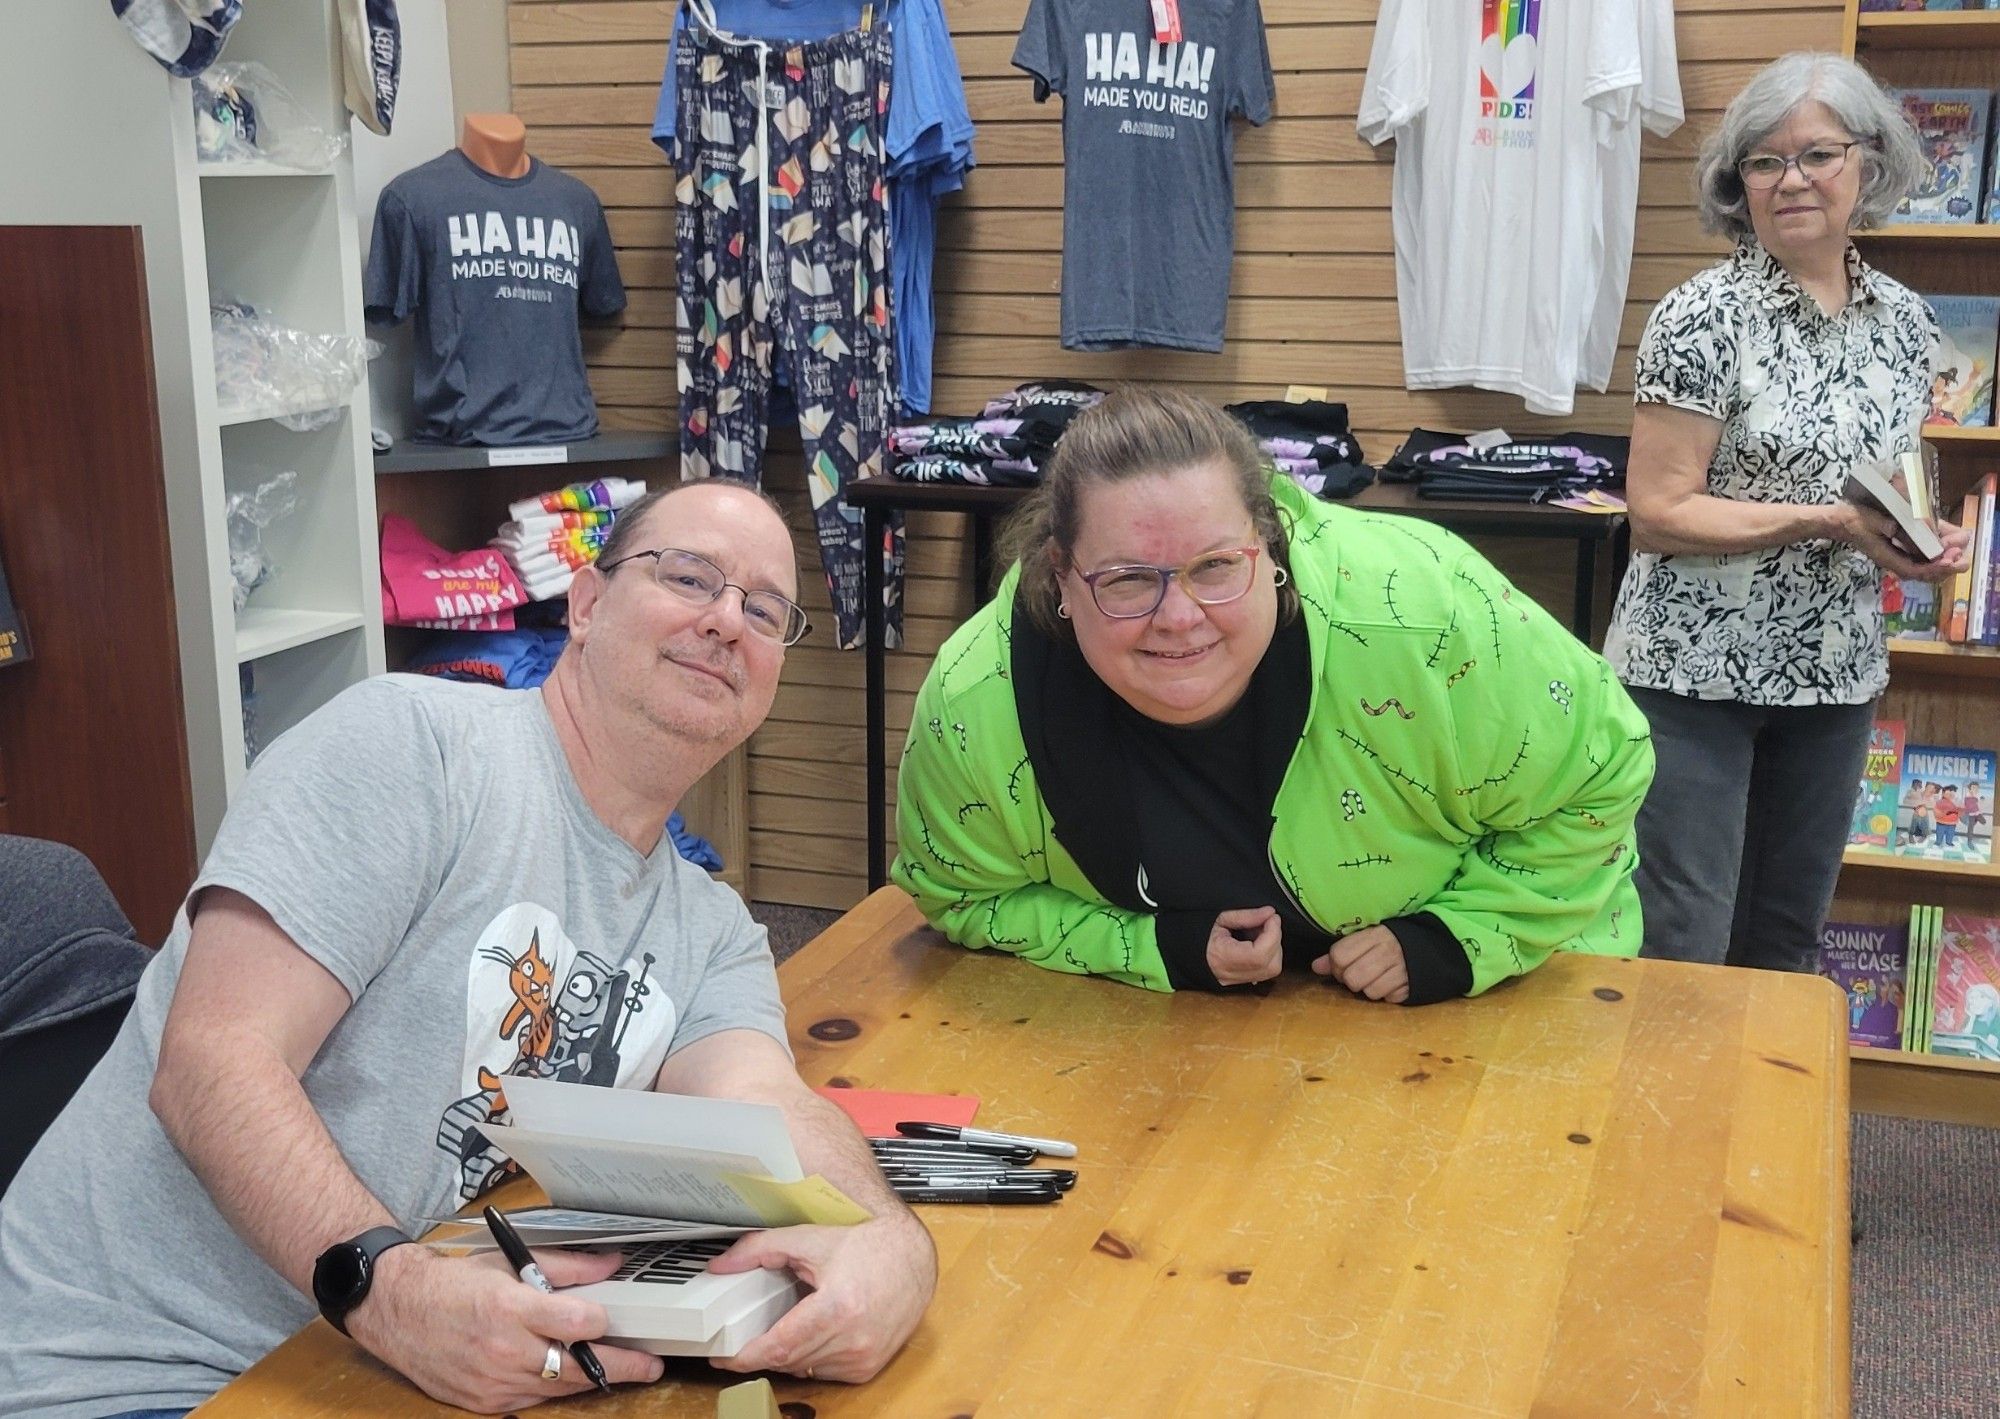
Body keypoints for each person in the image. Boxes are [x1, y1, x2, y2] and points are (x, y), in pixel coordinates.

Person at [0, 482, 936, 1419]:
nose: (728, 618)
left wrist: (893, 1243)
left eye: (765, 610)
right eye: (690, 575)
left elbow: (771, 1112)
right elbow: (211, 1061)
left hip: (345, 1364)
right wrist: (395, 1294)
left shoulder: (710, 929)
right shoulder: (412, 748)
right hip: (120, 1370)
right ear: (585, 603)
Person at [893, 387, 1656, 1003]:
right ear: (1060, 574)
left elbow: (1606, 765)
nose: (1179, 617)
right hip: (1162, 1040)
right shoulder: (974, 703)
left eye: (1217, 567)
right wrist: (1152, 947)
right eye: (1127, 579)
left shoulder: (1420, 615)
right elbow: (959, 895)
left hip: (1504, 995)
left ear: (1271, 540)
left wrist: (1460, 939)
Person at [1603, 52, 1972, 973]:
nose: (1790, 179)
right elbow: (1655, 511)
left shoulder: (1905, 323)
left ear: (1869, 165)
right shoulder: (1701, 315)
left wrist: (1913, 541)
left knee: (1787, 936)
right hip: (1692, 676)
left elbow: (1887, 483)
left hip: (1835, 676)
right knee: (1683, 939)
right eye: (1763, 162)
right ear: (1739, 185)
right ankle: (1667, 1122)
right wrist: (1825, 523)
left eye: (1817, 154)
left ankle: (1764, 1122)